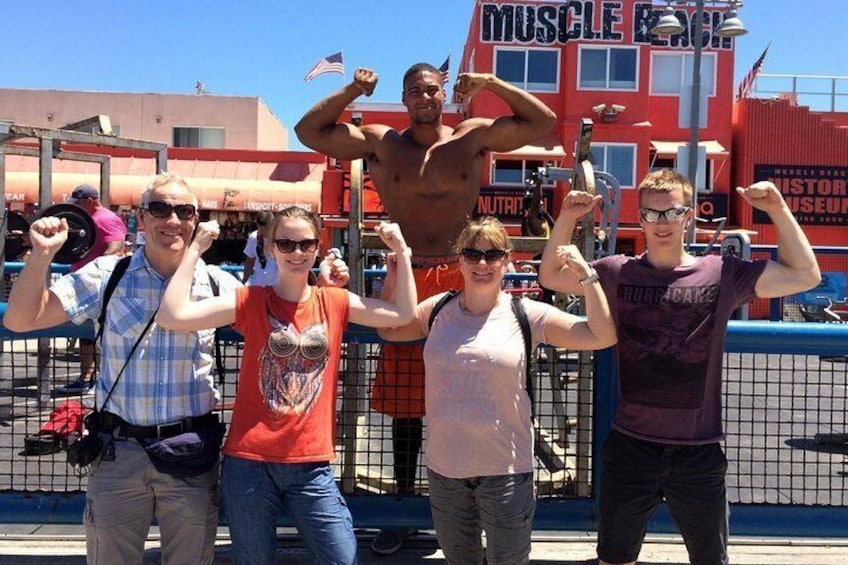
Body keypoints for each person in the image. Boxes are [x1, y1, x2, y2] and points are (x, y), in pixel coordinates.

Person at [2, 172, 350, 564]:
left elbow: (288, 307)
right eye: (159, 208)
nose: (172, 220)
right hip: (119, 450)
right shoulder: (107, 275)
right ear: (141, 217)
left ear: (195, 219)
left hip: (190, 454)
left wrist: (327, 285)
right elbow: (19, 320)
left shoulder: (218, 284)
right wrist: (42, 255)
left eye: (184, 211)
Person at [296, 62, 556, 554]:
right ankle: (401, 506)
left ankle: (481, 505)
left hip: (465, 268)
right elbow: (309, 132)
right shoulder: (381, 142)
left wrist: (492, 85)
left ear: (444, 95)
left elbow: (542, 124)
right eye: (414, 90)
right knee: (405, 400)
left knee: (477, 385)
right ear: (404, 96)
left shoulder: (471, 136)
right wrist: (352, 88)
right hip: (407, 273)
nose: (423, 97)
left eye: (431, 89)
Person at [538, 170, 821, 565]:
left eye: (672, 212)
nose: (663, 223)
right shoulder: (617, 272)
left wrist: (777, 208)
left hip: (698, 449)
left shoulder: (723, 272)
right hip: (631, 443)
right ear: (641, 219)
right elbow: (550, 274)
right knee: (615, 555)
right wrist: (567, 217)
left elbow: (805, 275)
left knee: (710, 558)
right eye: (652, 214)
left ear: (689, 216)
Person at [155, 206, 417, 565]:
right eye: (286, 243)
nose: (297, 253)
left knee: (342, 558)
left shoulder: (334, 301)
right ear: (270, 246)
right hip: (249, 462)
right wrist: (195, 250)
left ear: (317, 247)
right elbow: (172, 316)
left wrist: (402, 253)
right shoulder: (252, 300)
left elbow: (403, 315)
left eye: (305, 244)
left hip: (311, 463)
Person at [377, 216, 616, 564]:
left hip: (505, 470)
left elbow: (601, 335)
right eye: (472, 254)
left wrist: (588, 277)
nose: (482, 264)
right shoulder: (439, 308)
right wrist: (395, 270)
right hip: (446, 470)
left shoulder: (526, 314)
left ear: (508, 260)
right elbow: (391, 329)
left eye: (492, 255)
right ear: (459, 260)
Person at [59, 183, 127, 394]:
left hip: (100, 288)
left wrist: (95, 271)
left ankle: (100, 379)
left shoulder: (106, 218)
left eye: (79, 202)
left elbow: (116, 247)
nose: (76, 207)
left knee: (101, 336)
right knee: (87, 337)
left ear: (90, 201)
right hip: (84, 286)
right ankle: (86, 378)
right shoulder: (87, 219)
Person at [242, 210, 277, 286]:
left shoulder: (281, 238)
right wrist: (244, 280)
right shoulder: (253, 237)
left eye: (267, 229)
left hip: (277, 285)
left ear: (272, 224)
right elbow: (249, 261)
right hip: (258, 283)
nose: (264, 233)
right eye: (261, 230)